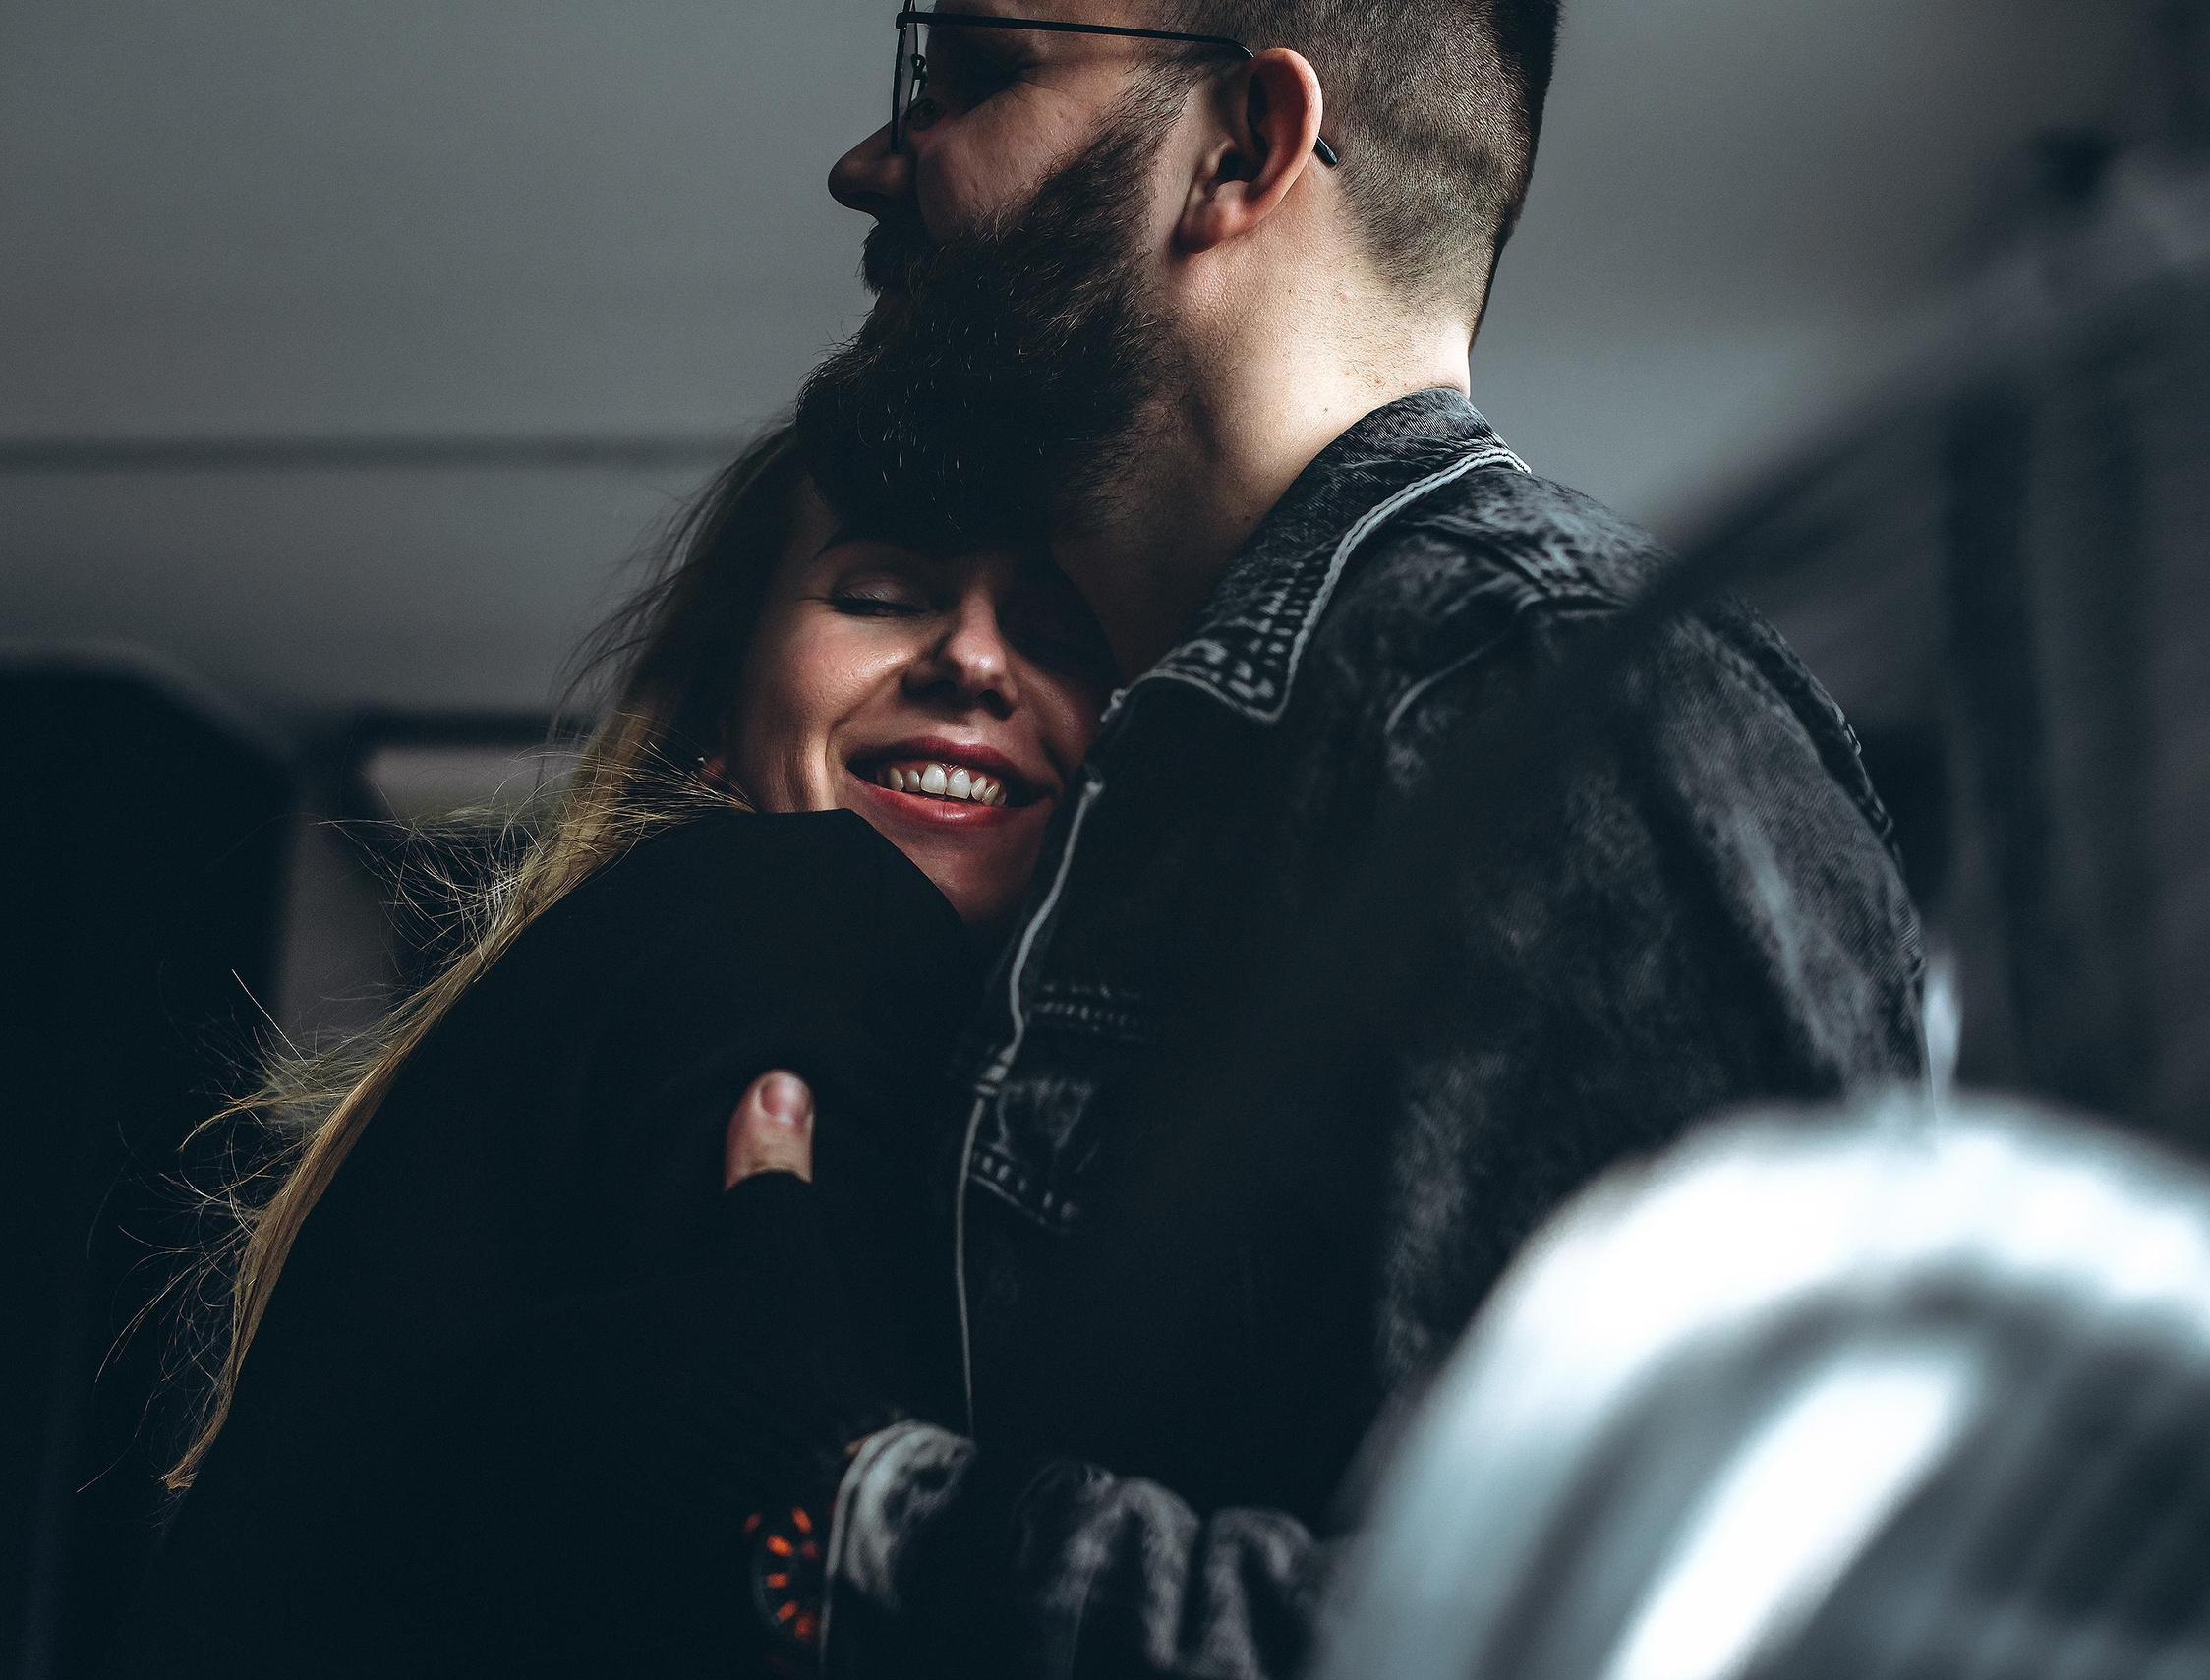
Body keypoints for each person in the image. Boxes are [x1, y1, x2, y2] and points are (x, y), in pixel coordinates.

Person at [692, 4, 1929, 1675]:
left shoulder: (1535, 699)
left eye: (975, 75)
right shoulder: (1173, 772)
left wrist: (852, 1499)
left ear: (1242, 153)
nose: (872, 163)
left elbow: (1732, 1627)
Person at [108, 427, 1117, 1676]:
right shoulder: (794, 910)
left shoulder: (605, 1016)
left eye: (1063, 630)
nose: (969, 657)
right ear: (716, 704)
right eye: (878, 596)